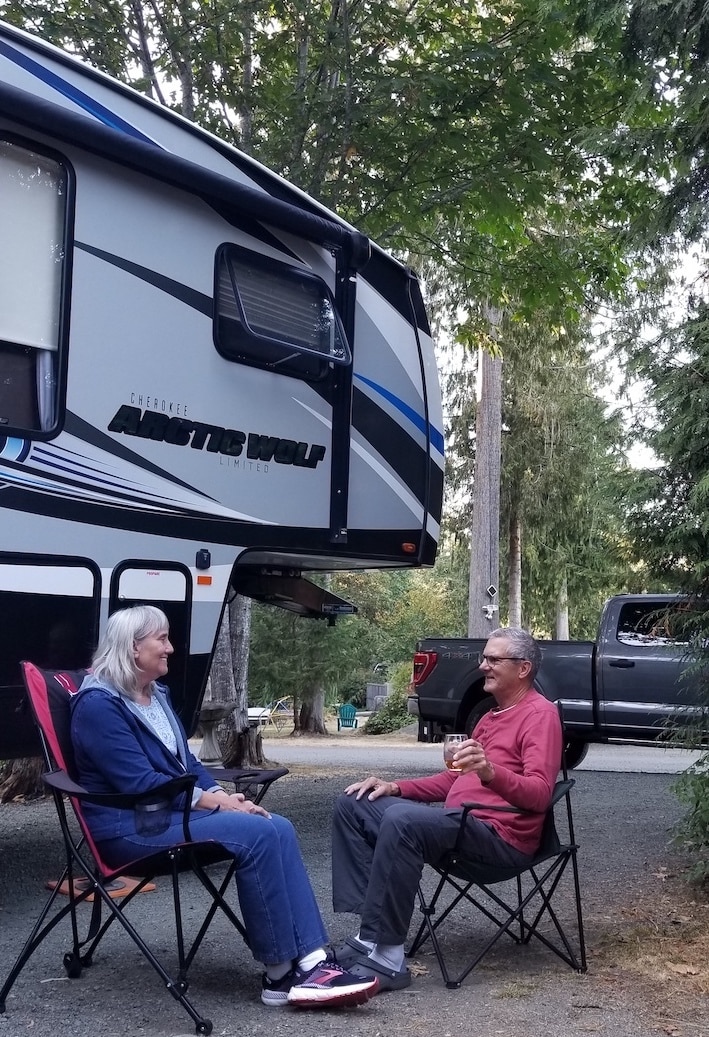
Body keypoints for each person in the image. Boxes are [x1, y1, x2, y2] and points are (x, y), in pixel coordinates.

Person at [70, 605, 378, 1009]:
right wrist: (216, 803)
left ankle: (312, 960)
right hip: (128, 831)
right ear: (132, 648)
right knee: (254, 835)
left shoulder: (154, 695)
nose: (171, 648)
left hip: (169, 817)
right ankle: (280, 975)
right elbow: (140, 784)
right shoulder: (99, 706)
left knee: (278, 826)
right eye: (161, 639)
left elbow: (188, 765)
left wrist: (222, 794)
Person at [330, 626, 562, 992]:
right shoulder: (488, 718)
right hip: (457, 827)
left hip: (498, 838)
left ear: (523, 668)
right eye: (483, 658)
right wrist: (395, 787)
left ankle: (389, 958)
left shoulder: (541, 715)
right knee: (354, 802)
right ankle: (368, 935)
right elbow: (453, 780)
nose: (483, 665)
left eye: (493, 659)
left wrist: (489, 772)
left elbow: (539, 795)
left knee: (402, 819)